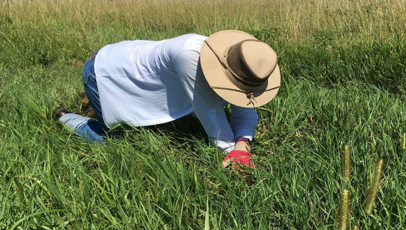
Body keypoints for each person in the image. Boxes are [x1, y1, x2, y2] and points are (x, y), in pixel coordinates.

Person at [56, 30, 281, 169]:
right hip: (103, 71)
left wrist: (242, 143)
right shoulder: (189, 56)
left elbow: (245, 104)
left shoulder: (234, 60)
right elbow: (210, 113)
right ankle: (67, 118)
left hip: (129, 66)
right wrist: (231, 152)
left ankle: (98, 107)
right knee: (118, 139)